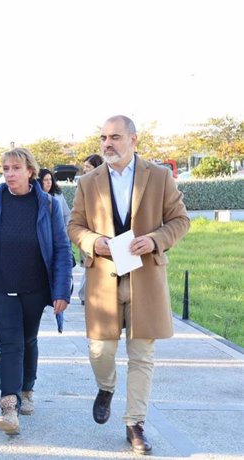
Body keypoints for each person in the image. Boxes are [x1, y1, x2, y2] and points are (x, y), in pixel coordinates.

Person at [68, 115, 189, 455]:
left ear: (134, 140)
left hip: (145, 280)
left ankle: (135, 423)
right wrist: (93, 241)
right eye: (104, 137)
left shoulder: (159, 176)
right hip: (103, 280)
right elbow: (75, 225)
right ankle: (106, 387)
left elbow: (181, 221)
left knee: (142, 356)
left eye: (115, 137)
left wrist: (155, 239)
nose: (108, 143)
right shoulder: (88, 182)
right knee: (99, 350)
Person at [0, 148, 73, 435]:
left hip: (34, 287)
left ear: (30, 172)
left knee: (28, 339)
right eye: (5, 168)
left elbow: (62, 248)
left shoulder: (47, 205)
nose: (9, 174)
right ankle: (9, 407)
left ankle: (27, 389)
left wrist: (62, 290)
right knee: (10, 343)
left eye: (15, 168)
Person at [78, 154, 104, 305]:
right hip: (88, 233)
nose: (85, 170)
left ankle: (87, 294)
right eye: (85, 167)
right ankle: (85, 295)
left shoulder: (103, 184)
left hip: (101, 232)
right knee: (89, 264)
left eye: (88, 167)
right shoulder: (84, 184)